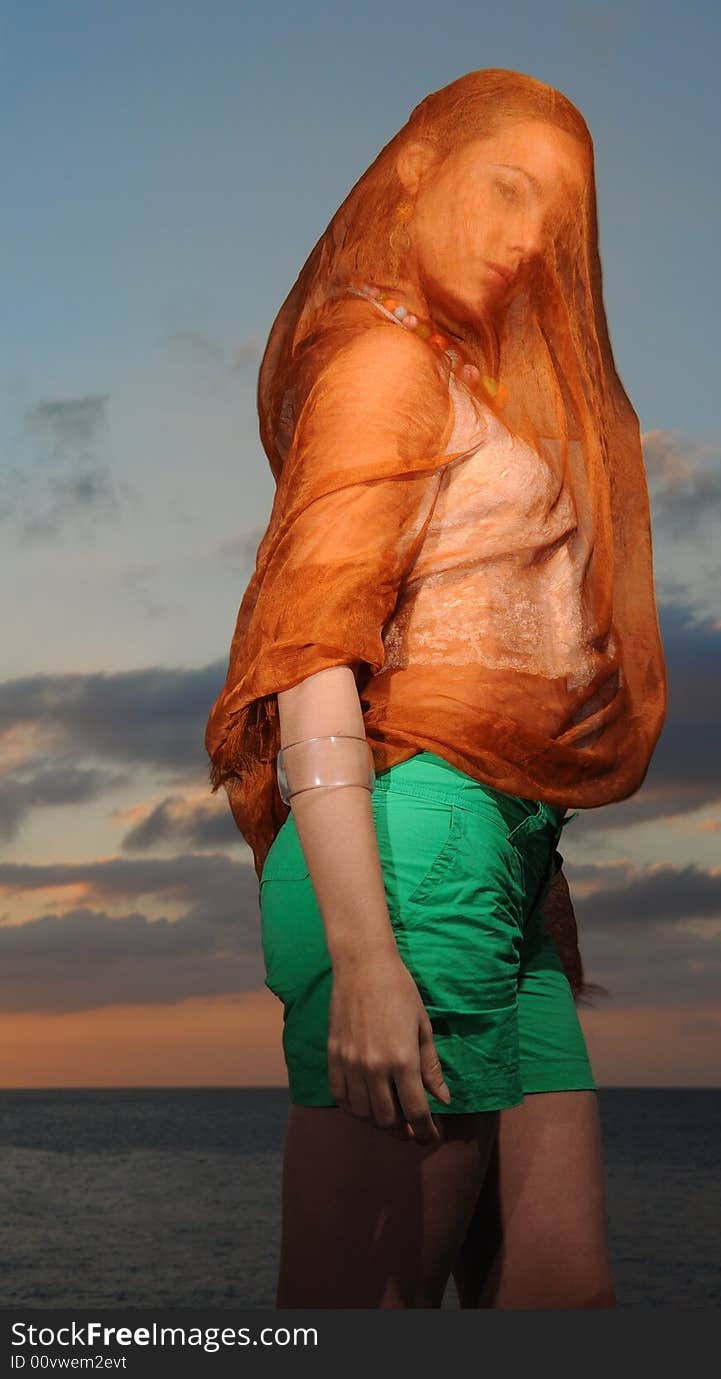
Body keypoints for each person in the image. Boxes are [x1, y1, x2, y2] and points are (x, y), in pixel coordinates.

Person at [204, 68, 667, 1309]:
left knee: (561, 1292)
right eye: (506, 189)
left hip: (508, 863)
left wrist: (534, 909)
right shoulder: (380, 361)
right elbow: (311, 660)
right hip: (406, 852)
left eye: (553, 219)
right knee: (364, 1303)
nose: (529, 238)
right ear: (416, 172)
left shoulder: (477, 381)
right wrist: (363, 954)